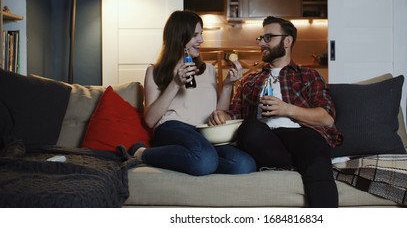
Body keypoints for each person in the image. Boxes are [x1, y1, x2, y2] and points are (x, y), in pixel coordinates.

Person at [208, 16, 343, 207]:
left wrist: (286, 109)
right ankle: (296, 162)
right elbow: (234, 114)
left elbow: (327, 118)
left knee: (313, 148)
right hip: (265, 139)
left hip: (301, 135)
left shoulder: (308, 76)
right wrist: (223, 113)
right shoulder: (250, 79)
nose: (262, 43)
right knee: (249, 128)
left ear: (287, 41)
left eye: (268, 38)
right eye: (261, 38)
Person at [128, 10, 256, 176]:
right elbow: (150, 120)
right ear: (179, 37)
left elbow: (218, 113)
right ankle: (142, 154)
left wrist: (227, 85)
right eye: (195, 35)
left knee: (244, 164)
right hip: (172, 128)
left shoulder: (209, 70)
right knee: (205, 159)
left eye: (201, 34)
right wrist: (175, 83)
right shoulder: (155, 71)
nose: (201, 40)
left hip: (204, 132)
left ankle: (196, 159)